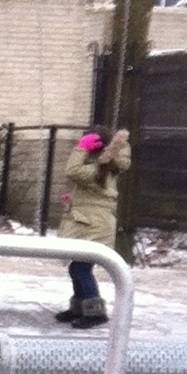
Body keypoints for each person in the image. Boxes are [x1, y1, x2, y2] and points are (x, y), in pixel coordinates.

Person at [57, 126, 130, 326]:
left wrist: (80, 149)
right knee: (77, 268)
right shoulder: (101, 169)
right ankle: (81, 307)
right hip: (91, 222)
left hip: (94, 226)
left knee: (81, 268)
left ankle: (95, 312)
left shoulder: (98, 170)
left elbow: (72, 171)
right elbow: (93, 194)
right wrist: (75, 199)